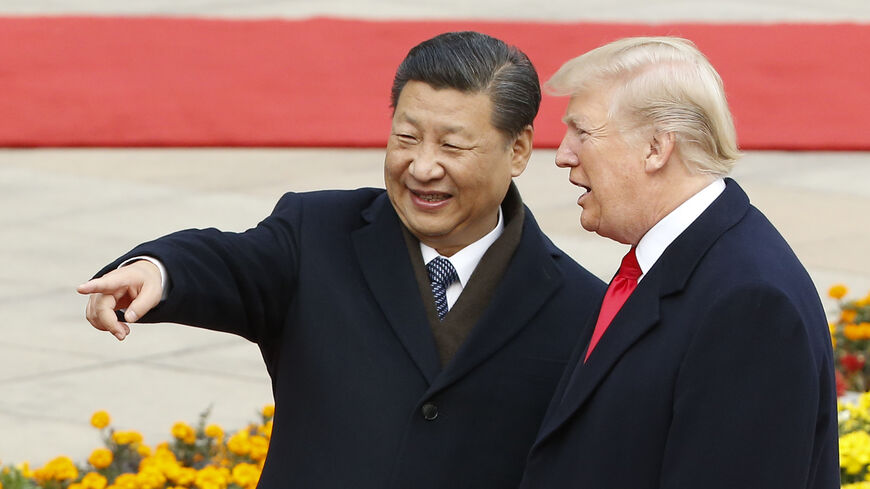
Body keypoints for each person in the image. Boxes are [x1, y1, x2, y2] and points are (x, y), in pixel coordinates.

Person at [77, 31, 605, 489]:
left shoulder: (582, 308)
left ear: (518, 150)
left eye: (452, 146)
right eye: (406, 137)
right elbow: (232, 262)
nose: (421, 167)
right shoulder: (320, 234)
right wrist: (157, 270)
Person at [519, 37, 839, 488]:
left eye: (583, 132)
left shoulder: (750, 304)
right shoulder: (673, 261)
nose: (562, 154)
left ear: (656, 148)